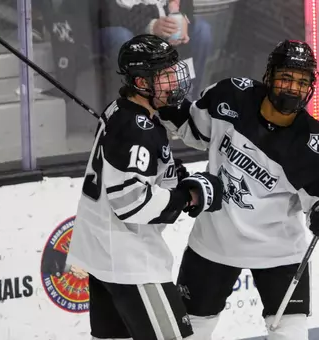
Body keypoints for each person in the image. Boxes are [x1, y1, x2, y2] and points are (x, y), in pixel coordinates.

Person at [157, 40, 319, 339]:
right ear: (269, 76)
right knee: (192, 329)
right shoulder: (232, 96)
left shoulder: (314, 141)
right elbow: (192, 128)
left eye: (302, 82)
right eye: (286, 78)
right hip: (214, 242)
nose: (293, 88)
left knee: (289, 331)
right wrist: (161, 104)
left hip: (279, 251)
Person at [66, 34, 224, 340]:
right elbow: (131, 202)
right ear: (140, 82)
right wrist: (186, 196)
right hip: (130, 262)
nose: (173, 82)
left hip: (101, 254)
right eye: (164, 76)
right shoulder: (136, 128)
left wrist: (171, 175)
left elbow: (131, 174)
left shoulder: (122, 111)